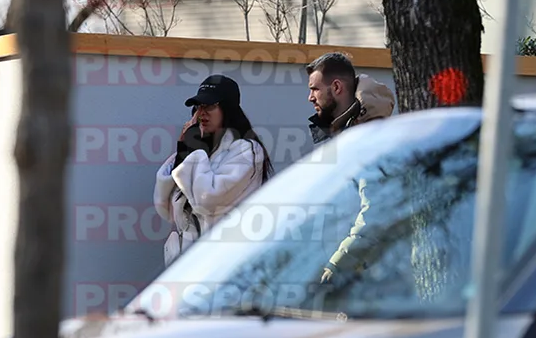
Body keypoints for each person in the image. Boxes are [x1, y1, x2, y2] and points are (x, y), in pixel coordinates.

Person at [154, 74, 274, 266]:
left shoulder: (246, 150)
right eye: (198, 106)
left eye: (209, 106)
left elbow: (207, 201)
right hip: (188, 265)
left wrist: (193, 151)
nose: (202, 113)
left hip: (224, 263)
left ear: (227, 109)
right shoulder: (201, 151)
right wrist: (182, 152)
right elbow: (165, 208)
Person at [302, 52, 396, 286]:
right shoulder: (348, 131)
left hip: (366, 279)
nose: (310, 97)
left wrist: (336, 266)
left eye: (314, 89)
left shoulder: (368, 137)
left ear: (336, 87)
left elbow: (374, 214)